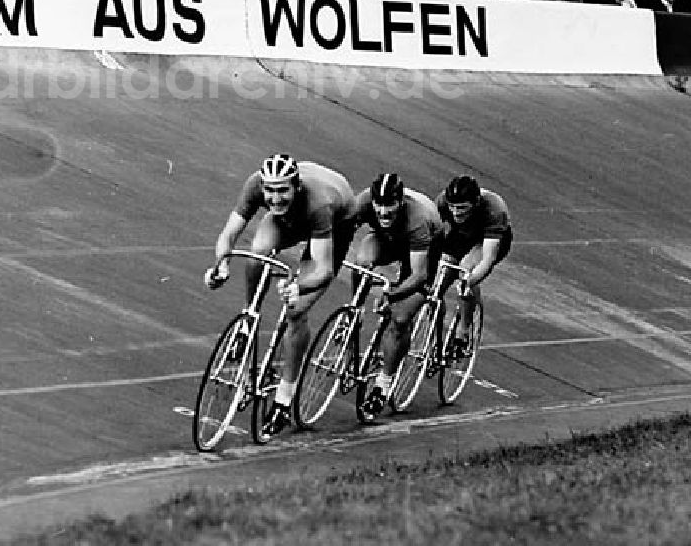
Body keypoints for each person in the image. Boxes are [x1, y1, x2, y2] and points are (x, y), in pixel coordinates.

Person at [204, 154, 357, 438]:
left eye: (282, 190)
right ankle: (249, 319)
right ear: (262, 185)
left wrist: (299, 286)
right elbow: (228, 235)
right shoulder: (254, 185)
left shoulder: (319, 203)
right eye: (270, 191)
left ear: (296, 186)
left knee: (296, 311)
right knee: (256, 256)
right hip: (298, 214)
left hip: (335, 221)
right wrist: (221, 265)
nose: (275, 198)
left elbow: (323, 270)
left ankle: (284, 400)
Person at [348, 173, 444, 417]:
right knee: (361, 262)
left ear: (400, 202)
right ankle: (354, 312)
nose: (382, 212)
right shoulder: (364, 203)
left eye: (388, 206)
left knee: (400, 318)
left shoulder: (418, 219)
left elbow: (419, 276)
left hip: (423, 252)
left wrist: (390, 294)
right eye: (378, 206)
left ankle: (383, 385)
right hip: (389, 238)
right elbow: (341, 233)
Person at [435, 175, 513, 353]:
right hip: (460, 235)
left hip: (487, 240)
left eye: (462, 208)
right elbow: (432, 238)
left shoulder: (494, 209)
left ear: (476, 202)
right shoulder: (441, 202)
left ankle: (463, 329)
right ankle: (434, 327)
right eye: (452, 207)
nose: (455, 212)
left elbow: (487, 259)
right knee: (439, 274)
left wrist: (469, 282)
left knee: (466, 270)